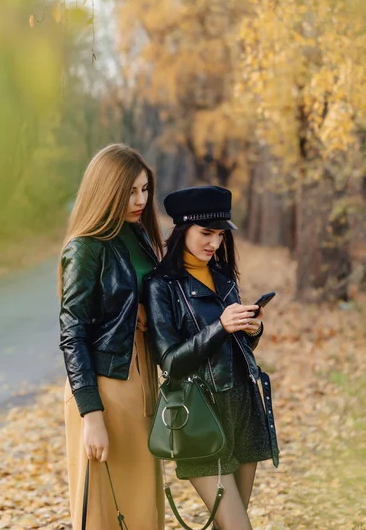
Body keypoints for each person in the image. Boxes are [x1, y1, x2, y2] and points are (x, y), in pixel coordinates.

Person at [145, 186, 279, 530]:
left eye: (220, 235)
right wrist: (220, 327)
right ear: (181, 230)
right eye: (206, 234)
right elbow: (170, 361)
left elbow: (236, 350)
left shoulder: (221, 275)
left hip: (243, 408)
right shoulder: (161, 285)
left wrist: (250, 331)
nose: (214, 244)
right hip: (200, 417)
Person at [59, 143, 165, 530]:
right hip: (106, 388)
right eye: (130, 191)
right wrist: (91, 414)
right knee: (106, 511)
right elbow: (73, 333)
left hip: (143, 380)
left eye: (144, 189)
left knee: (143, 509)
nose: (140, 200)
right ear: (108, 190)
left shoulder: (139, 238)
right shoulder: (85, 248)